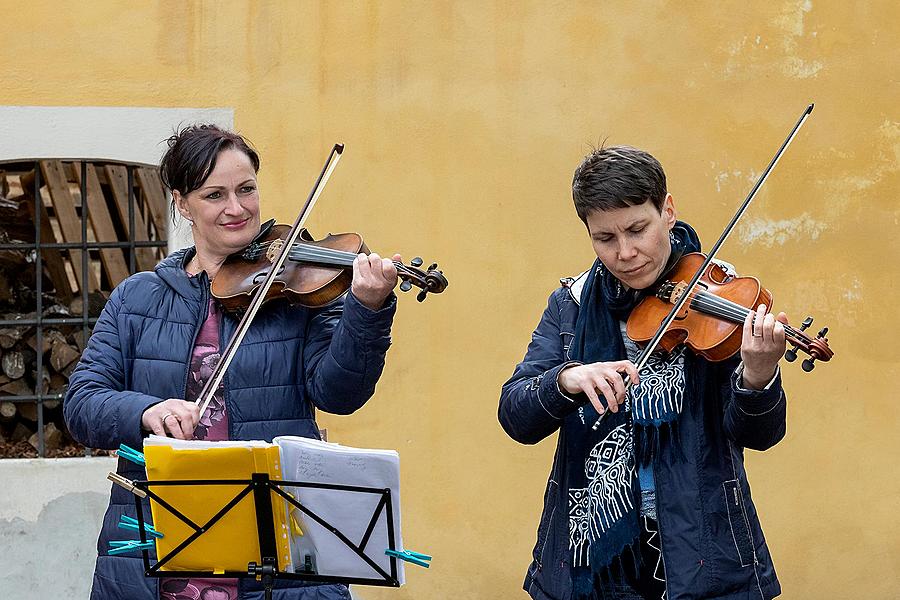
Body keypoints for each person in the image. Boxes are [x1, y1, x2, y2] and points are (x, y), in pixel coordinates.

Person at [64, 124, 400, 600]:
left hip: (273, 563)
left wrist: (366, 311)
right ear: (182, 203)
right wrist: (145, 411)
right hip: (154, 558)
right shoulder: (138, 298)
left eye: (246, 190)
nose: (237, 208)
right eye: (215, 195)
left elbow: (341, 395)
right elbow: (82, 404)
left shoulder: (297, 290)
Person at [499, 146, 789, 600]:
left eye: (638, 229)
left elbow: (760, 433)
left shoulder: (723, 298)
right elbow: (516, 414)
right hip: (592, 563)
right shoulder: (572, 304)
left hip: (705, 556)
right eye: (605, 239)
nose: (626, 253)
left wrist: (758, 376)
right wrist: (565, 379)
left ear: (667, 211)